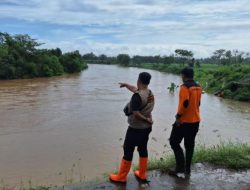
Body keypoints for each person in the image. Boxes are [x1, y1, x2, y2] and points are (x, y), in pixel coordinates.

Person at [109, 72, 155, 183]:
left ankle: (121, 177)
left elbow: (136, 114)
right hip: (147, 128)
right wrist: (126, 85)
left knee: (128, 149)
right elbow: (135, 89)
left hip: (136, 128)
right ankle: (142, 174)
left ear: (139, 80)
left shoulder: (137, 97)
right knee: (143, 149)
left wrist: (146, 119)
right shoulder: (149, 93)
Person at [169, 67, 202, 177]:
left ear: (183, 75)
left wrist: (178, 116)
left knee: (174, 142)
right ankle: (187, 169)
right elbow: (198, 104)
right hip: (196, 120)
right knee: (189, 145)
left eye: (181, 75)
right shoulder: (198, 87)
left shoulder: (185, 87)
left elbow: (185, 103)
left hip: (184, 121)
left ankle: (179, 167)